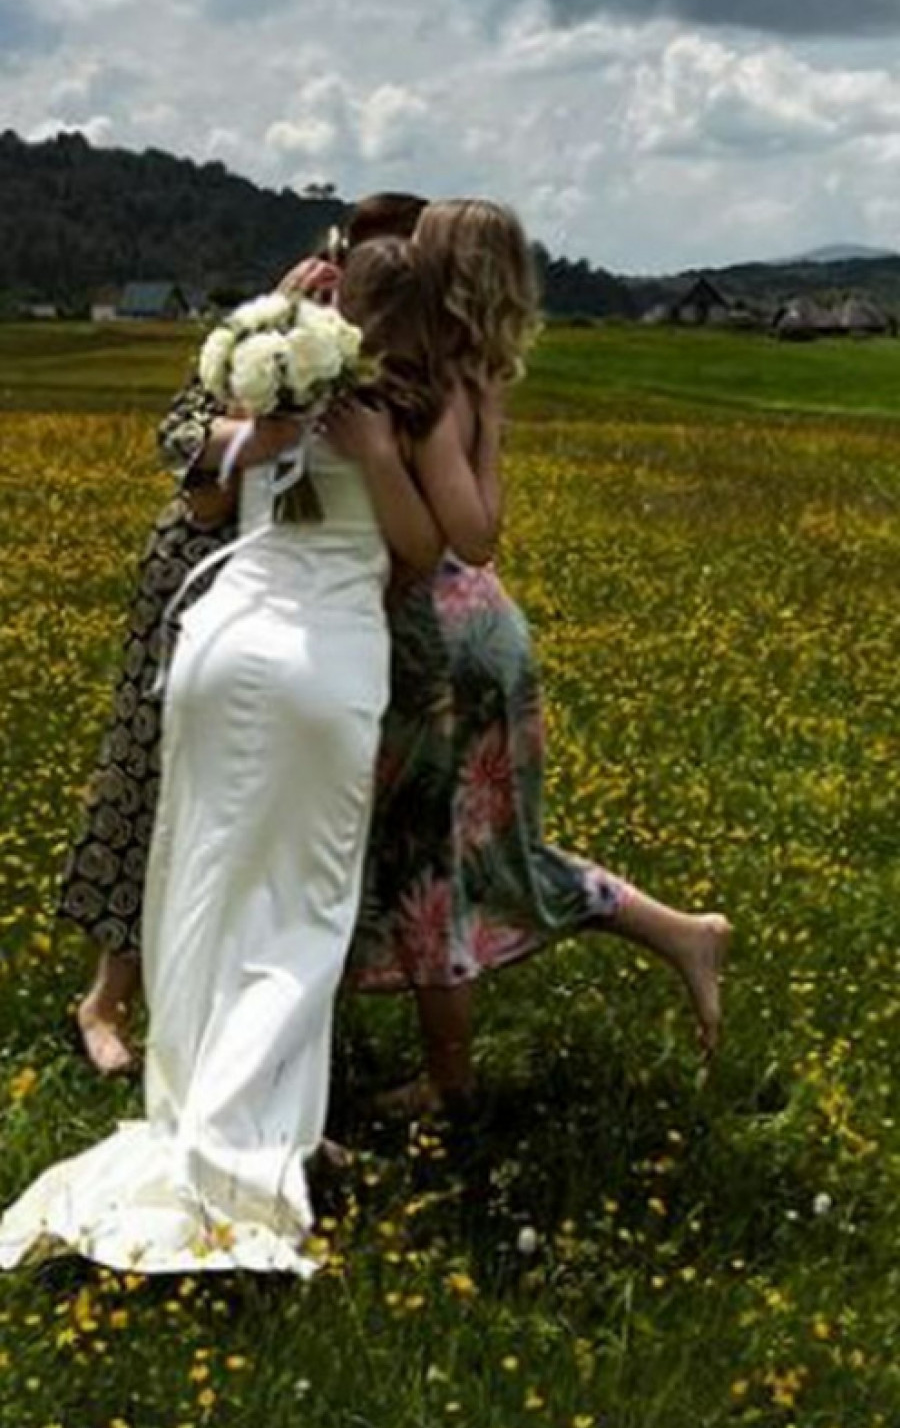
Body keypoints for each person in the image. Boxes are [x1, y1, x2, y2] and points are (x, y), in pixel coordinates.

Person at [0, 241, 453, 1275]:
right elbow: (426, 550)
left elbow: (204, 500)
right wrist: (378, 461)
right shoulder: (400, 405)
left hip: (216, 638)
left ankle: (196, 1103)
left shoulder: (265, 378)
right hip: (321, 662)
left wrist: (259, 420)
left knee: (201, 885)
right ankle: (255, 1136)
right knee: (299, 909)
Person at [343, 200, 731, 1114]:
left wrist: (438, 446)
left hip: (440, 647)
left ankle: (450, 1085)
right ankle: (682, 934)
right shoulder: (473, 374)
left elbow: (473, 534)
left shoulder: (438, 382)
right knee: (479, 848)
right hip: (475, 633)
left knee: (431, 861)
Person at [59, 192, 428, 1075]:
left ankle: (251, 1012)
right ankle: (108, 997)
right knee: (155, 773)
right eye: (360, 254)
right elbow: (180, 435)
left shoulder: (412, 354)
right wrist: (261, 435)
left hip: (323, 599)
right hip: (208, 565)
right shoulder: (276, 328)